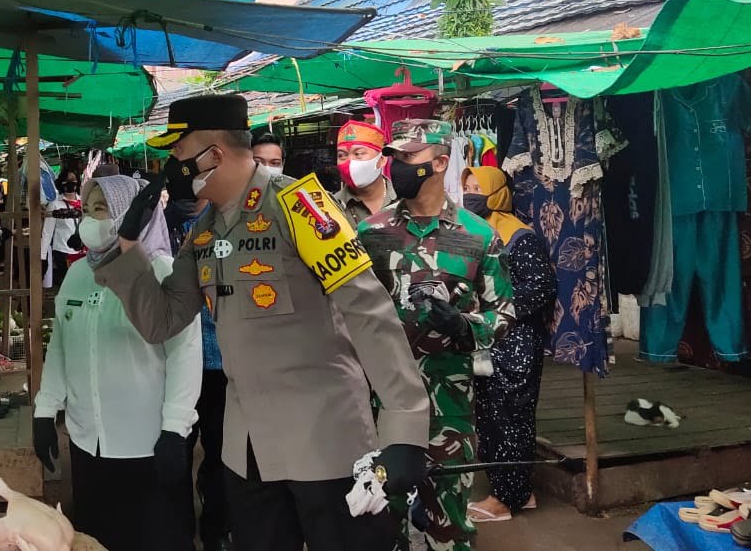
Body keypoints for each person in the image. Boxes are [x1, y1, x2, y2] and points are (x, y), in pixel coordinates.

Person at [92, 94, 430, 551]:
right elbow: (163, 320)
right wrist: (128, 245)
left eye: (178, 148)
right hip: (247, 450)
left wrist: (405, 427)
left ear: (214, 153)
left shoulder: (300, 204)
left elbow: (368, 311)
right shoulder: (205, 229)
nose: (171, 160)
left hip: (324, 442)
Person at [357, 120, 516, 551]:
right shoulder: (371, 233)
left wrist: (465, 326)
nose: (398, 167)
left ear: (441, 162)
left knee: (448, 522)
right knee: (381, 517)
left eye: (410, 157)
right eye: (395, 159)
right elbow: (344, 314)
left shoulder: (477, 235)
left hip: (449, 403)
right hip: (382, 401)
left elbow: (503, 312)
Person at [33, 175, 202, 551]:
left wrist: (175, 429)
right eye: (88, 210)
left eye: (102, 210)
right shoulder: (78, 274)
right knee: (97, 539)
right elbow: (61, 345)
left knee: (154, 538)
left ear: (130, 216)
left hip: (147, 444)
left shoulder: (161, 273)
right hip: (87, 443)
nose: (91, 220)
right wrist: (46, 410)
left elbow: (184, 356)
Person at [461, 167, 555, 523]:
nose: (471, 195)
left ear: (497, 193)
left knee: (511, 419)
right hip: (488, 341)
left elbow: (541, 287)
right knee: (489, 417)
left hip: (515, 343)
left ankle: (506, 499)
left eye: (477, 188)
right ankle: (516, 491)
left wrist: (499, 309)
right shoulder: (477, 233)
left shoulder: (518, 236)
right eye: (467, 188)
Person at [164, 197, 231, 551]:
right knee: (177, 451)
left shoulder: (229, 219)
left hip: (222, 363)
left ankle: (215, 528)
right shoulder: (161, 222)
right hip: (177, 363)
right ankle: (180, 531)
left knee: (221, 453)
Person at [335, 119, 395, 227]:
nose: (350, 162)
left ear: (382, 159)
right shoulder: (331, 207)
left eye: (359, 153)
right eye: (341, 155)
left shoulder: (405, 199)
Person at [41, 168, 85, 289]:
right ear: (61, 184)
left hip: (84, 252)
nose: (71, 183)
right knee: (70, 286)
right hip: (63, 252)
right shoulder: (55, 205)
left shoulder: (84, 203)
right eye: (67, 181)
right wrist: (42, 257)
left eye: (73, 180)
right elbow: (47, 233)